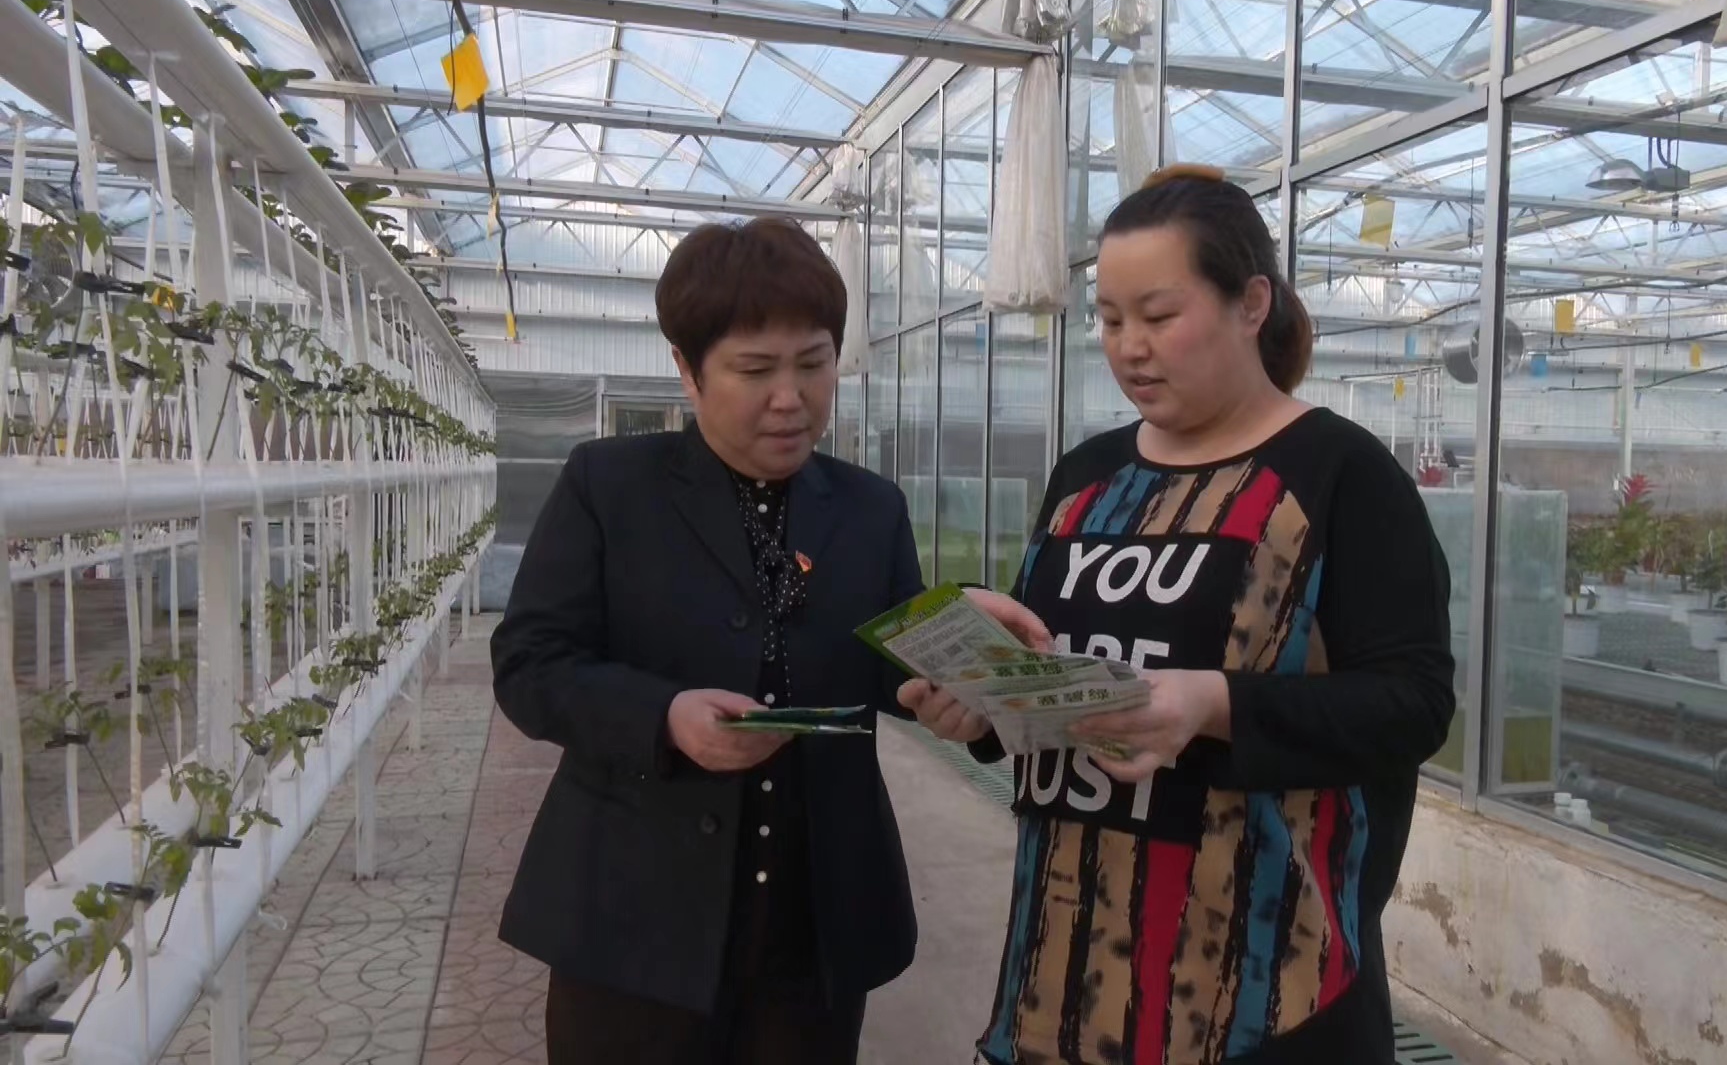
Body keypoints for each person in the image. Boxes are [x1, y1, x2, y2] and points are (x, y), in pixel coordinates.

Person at [901, 164, 1457, 1064]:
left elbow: (1413, 703)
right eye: (1111, 319)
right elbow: (1057, 682)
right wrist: (983, 705)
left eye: (1159, 316)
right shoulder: (1086, 479)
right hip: (1063, 973)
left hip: (1265, 991)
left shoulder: (1339, 477)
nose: (1130, 347)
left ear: (1251, 304)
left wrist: (1212, 703)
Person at [491, 216, 937, 1064]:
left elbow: (892, 661)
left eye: (814, 363)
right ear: (687, 370)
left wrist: (948, 682)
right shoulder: (609, 487)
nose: (791, 397)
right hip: (635, 917)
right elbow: (530, 665)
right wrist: (663, 716)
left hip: (812, 920)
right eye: (755, 370)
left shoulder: (870, 507)